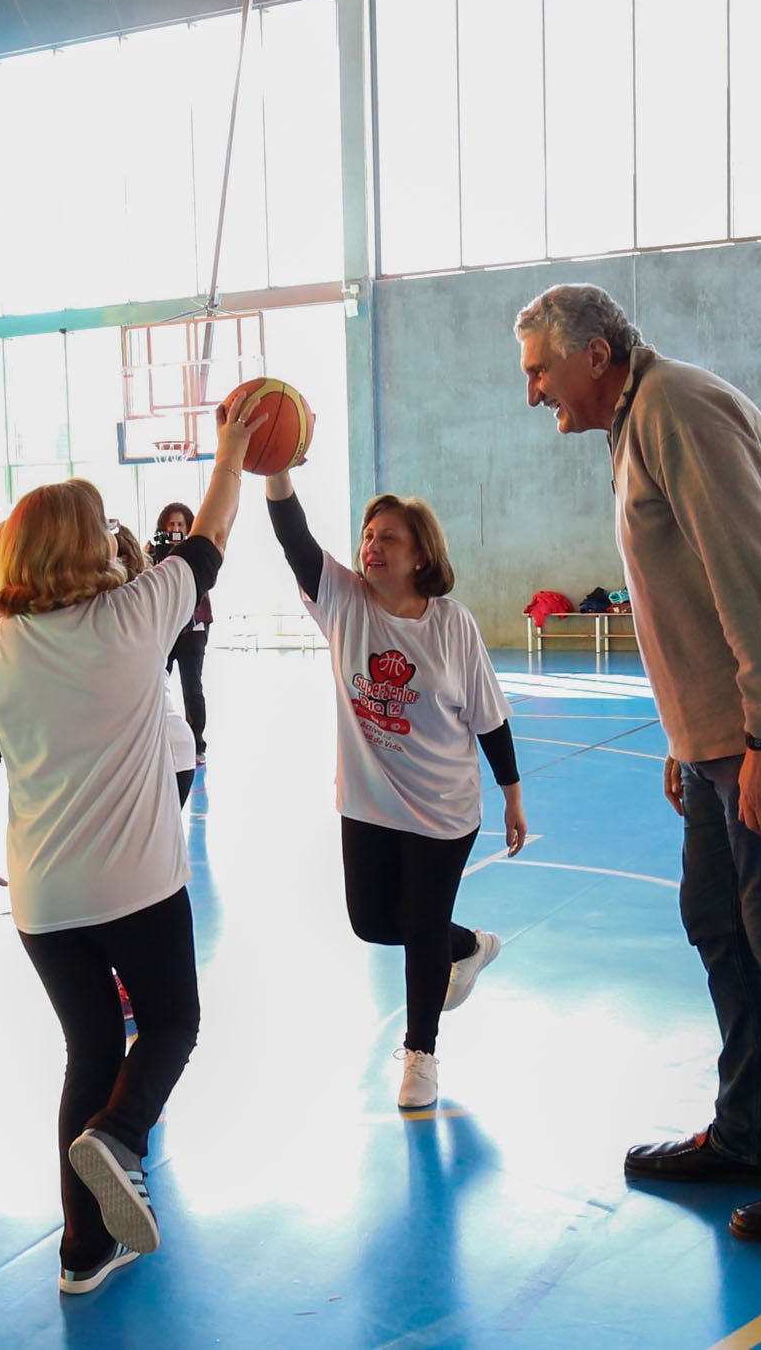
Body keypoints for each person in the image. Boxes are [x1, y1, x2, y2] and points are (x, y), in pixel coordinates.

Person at [515, 282, 761, 1244]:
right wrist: (688, 736)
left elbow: (754, 571)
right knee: (721, 922)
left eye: (539, 370)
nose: (531, 393)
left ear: (595, 354)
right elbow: (684, 596)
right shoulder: (637, 420)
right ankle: (751, 1133)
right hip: (723, 733)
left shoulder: (677, 410)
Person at [0, 402, 254, 1296]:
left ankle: (82, 1254)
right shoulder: (140, 611)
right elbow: (215, 528)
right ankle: (121, 1140)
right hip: (140, 887)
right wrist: (230, 449)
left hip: (44, 900)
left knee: (89, 1050)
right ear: (94, 545)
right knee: (171, 1023)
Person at [265, 458, 526, 1109]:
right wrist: (276, 474)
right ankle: (466, 945)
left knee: (417, 922)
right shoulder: (344, 602)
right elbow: (294, 538)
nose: (372, 546)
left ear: (420, 557)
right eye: (368, 534)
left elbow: (489, 718)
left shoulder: (453, 626)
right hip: (369, 803)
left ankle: (421, 1055)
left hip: (443, 809)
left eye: (390, 538)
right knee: (373, 921)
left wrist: (513, 794)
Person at [117, 524, 200, 807]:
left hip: (154, 752)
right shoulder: (150, 605)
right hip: (174, 749)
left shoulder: (117, 612)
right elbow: (212, 540)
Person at [155, 502, 213, 763]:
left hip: (193, 628)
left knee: (192, 686)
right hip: (166, 628)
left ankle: (198, 745)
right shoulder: (154, 550)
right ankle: (157, 738)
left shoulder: (195, 552)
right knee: (156, 682)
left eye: (180, 525)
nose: (176, 529)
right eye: (171, 524)